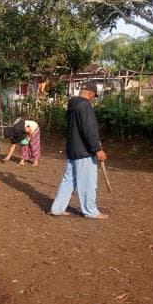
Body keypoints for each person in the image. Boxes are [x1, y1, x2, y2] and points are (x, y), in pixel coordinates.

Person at [50, 81, 108, 219]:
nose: (93, 99)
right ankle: (90, 211)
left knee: (69, 180)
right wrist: (97, 149)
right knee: (88, 182)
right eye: (94, 96)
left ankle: (57, 209)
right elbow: (89, 129)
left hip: (72, 150)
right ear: (90, 93)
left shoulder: (72, 105)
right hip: (84, 151)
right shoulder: (85, 106)